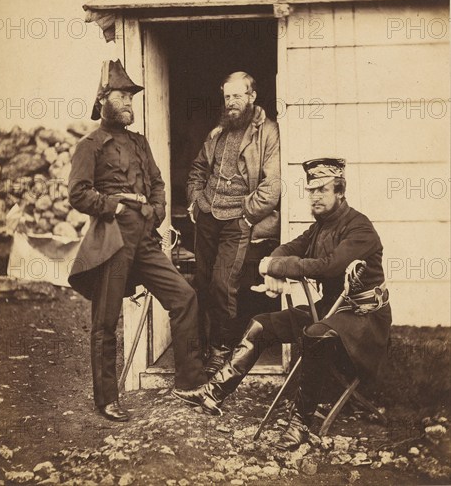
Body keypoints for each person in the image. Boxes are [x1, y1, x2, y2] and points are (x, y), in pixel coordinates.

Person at [175, 158, 392, 450]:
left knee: (315, 334)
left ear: (340, 191)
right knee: (261, 325)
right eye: (310, 190)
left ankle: (301, 423)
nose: (314, 196)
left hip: (363, 320)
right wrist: (271, 265)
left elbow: (328, 266)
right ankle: (213, 393)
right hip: (329, 310)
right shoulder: (320, 227)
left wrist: (276, 266)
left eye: (322, 190)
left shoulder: (359, 228)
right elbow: (290, 248)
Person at [68, 59, 207, 422]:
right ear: (103, 100)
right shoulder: (90, 144)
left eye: (131, 96)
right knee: (105, 320)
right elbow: (79, 193)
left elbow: (158, 183)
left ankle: (189, 382)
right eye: (123, 95)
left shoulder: (140, 142)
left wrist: (157, 210)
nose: (129, 101)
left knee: (184, 296)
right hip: (112, 240)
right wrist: (112, 206)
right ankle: (106, 398)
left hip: (145, 238)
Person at [186, 71, 281, 377]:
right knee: (200, 284)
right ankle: (201, 347)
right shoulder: (218, 133)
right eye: (227, 96)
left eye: (238, 95)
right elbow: (198, 169)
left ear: (252, 97)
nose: (231, 103)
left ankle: (222, 350)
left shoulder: (268, 132)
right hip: (208, 217)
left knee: (222, 285)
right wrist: (196, 200)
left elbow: (272, 187)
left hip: (238, 220)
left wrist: (246, 214)